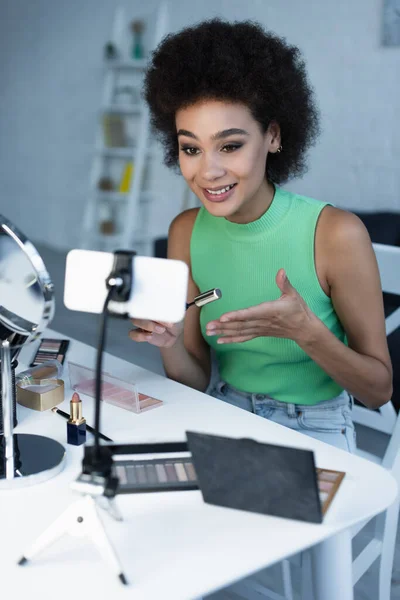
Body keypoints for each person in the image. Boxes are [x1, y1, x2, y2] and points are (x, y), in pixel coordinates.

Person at [130, 19, 392, 453]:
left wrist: (306, 332)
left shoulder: (336, 234)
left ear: (272, 136)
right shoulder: (186, 231)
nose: (207, 171)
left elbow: (377, 390)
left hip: (314, 425)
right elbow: (194, 378)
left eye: (230, 145)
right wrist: (169, 344)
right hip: (223, 408)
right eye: (191, 148)